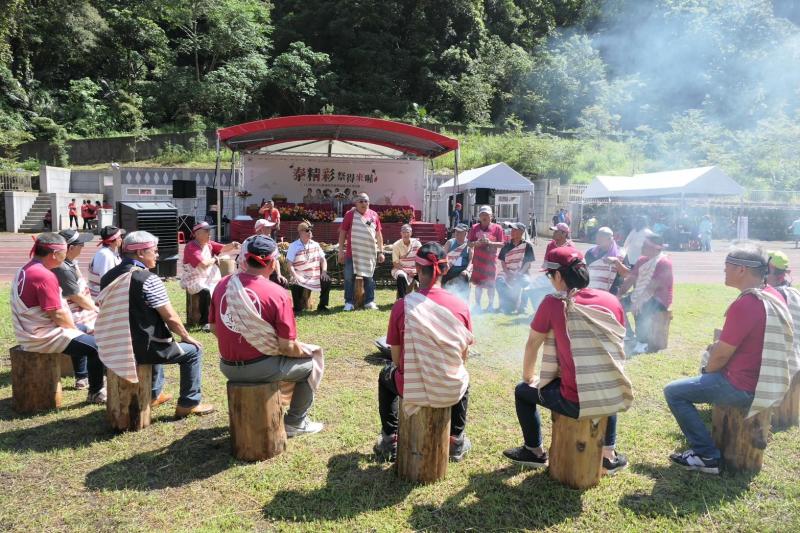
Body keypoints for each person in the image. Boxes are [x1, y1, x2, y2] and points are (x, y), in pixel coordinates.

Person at [663, 243, 794, 474]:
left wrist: (708, 370)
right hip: (763, 382)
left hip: (742, 387)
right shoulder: (770, 294)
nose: (724, 271)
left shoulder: (746, 303)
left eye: (727, 267)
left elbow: (721, 355)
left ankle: (706, 455)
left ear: (741, 270)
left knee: (674, 392)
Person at [502, 246, 631, 472]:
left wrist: (528, 377)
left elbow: (533, 344)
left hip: (575, 401)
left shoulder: (554, 303)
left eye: (551, 275)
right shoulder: (611, 300)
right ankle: (608, 454)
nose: (550, 280)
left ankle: (534, 451)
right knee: (604, 374)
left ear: (559, 276)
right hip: (612, 393)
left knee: (522, 391)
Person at [211, 235, 324, 436]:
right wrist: (306, 352)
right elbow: (287, 346)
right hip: (260, 367)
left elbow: (213, 328)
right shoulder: (277, 293)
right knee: (312, 364)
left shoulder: (223, 285)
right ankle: (296, 422)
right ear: (272, 263)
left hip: (227, 366)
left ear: (245, 259)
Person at [373, 242, 474, 462]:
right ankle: (456, 440)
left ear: (417, 270)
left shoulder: (402, 306)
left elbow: (398, 360)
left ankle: (391, 439)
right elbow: (463, 358)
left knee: (385, 375)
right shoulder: (462, 306)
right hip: (450, 389)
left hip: (412, 388)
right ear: (445, 270)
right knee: (464, 378)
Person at [99, 231, 212, 417]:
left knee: (156, 339)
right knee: (193, 351)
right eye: (155, 251)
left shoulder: (108, 277)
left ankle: (153, 394)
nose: (158, 255)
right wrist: (186, 336)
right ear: (141, 253)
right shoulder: (148, 279)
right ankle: (189, 403)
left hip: (114, 345)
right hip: (143, 348)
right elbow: (171, 317)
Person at [12, 233, 106, 403]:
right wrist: (74, 330)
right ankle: (96, 391)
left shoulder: (26, 268)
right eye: (64, 252)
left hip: (31, 331)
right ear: (55, 254)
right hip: (41, 336)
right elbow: (57, 313)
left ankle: (84, 377)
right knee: (97, 347)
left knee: (86, 332)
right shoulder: (44, 275)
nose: (65, 256)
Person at [617, 232, 674, 354]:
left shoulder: (664, 263)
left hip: (659, 299)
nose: (641, 247)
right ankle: (629, 336)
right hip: (640, 294)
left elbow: (653, 286)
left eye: (644, 245)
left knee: (643, 307)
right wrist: (619, 294)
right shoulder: (642, 260)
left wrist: (638, 302)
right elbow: (631, 279)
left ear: (654, 248)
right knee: (617, 305)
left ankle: (643, 342)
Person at [180, 221, 240, 331]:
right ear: (197, 234)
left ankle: (222, 318)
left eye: (209, 231)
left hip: (209, 278)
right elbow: (202, 264)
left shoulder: (209, 244)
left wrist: (233, 245)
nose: (209, 234)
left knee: (224, 290)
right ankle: (205, 322)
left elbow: (223, 248)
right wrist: (215, 259)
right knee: (205, 291)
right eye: (206, 231)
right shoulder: (191, 247)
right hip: (194, 279)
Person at [338, 193, 385, 311]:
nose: (364, 203)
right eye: (361, 201)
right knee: (349, 278)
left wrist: (381, 251)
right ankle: (349, 302)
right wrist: (340, 251)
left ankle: (369, 301)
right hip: (352, 253)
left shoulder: (374, 215)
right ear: (356, 203)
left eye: (366, 201)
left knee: (369, 278)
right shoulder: (350, 215)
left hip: (369, 253)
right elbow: (343, 233)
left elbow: (379, 235)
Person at [286, 221, 331, 313]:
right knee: (294, 283)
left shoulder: (315, 244)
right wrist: (294, 275)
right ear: (300, 232)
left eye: (310, 230)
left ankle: (322, 306)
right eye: (307, 230)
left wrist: (324, 272)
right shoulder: (293, 246)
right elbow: (289, 264)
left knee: (327, 280)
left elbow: (323, 260)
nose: (310, 232)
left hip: (314, 275)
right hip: (300, 274)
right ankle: (297, 308)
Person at [467, 205, 505, 312]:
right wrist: (477, 243)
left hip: (490, 262)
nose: (484, 217)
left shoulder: (497, 228)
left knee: (491, 285)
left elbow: (502, 244)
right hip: (478, 261)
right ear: (479, 216)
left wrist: (491, 243)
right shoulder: (474, 227)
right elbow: (469, 244)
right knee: (478, 285)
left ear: (491, 216)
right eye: (482, 215)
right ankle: (478, 305)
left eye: (486, 215)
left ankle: (490, 305)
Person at [496, 222, 536, 314]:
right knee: (499, 281)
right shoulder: (506, 245)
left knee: (526, 282)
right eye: (512, 230)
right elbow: (502, 261)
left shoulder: (527, 246)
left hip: (522, 272)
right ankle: (504, 305)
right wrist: (507, 272)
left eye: (514, 230)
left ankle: (522, 307)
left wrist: (520, 273)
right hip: (507, 271)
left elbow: (528, 263)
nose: (512, 232)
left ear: (521, 232)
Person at [87, 225, 123, 298]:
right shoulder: (106, 255)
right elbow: (107, 280)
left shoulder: (108, 253)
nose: (121, 239)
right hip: (103, 296)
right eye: (119, 237)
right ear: (111, 241)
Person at [585, 227, 623, 293]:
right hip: (591, 290)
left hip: (610, 292)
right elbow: (585, 271)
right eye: (597, 237)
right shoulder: (590, 252)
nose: (597, 240)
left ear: (610, 239)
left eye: (601, 238)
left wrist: (617, 262)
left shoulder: (621, 254)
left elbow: (627, 274)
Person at [391, 224, 422, 300]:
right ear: (400, 233)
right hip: (401, 269)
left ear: (411, 233)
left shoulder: (417, 244)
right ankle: (401, 299)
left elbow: (421, 259)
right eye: (403, 232)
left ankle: (423, 299)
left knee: (424, 277)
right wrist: (407, 271)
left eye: (407, 232)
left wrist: (416, 271)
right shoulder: (396, 245)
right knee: (401, 276)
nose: (405, 234)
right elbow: (395, 263)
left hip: (415, 269)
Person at [443, 223, 472, 293]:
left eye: (460, 232)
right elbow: (443, 256)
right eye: (456, 231)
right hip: (449, 270)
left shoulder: (469, 244)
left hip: (462, 272)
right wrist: (445, 264)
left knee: (464, 280)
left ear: (466, 233)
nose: (457, 233)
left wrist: (467, 270)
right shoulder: (450, 242)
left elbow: (471, 260)